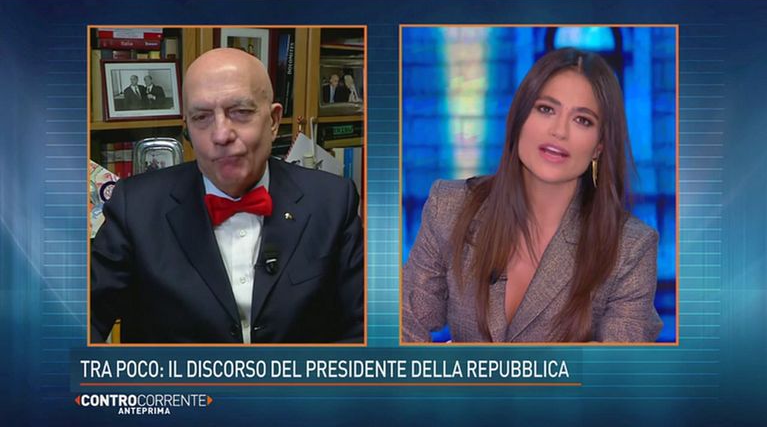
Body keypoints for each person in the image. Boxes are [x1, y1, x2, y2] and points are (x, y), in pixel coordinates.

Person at [91, 48, 364, 344]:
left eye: (241, 112)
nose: (221, 135)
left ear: (273, 121)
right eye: (202, 117)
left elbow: (364, 332)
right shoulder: (135, 206)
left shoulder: (333, 200)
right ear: (187, 129)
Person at [402, 48, 662, 343]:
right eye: (546, 109)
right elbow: (400, 322)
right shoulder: (450, 207)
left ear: (599, 147)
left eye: (582, 120)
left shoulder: (629, 248)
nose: (559, 131)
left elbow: (618, 366)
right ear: (520, 117)